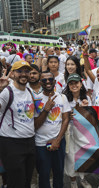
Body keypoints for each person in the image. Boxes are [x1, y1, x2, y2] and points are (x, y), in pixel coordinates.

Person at [0, 60, 49, 188]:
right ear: (13, 74)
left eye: (26, 71)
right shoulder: (7, 92)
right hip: (11, 143)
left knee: (26, 180)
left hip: (29, 142)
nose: (23, 74)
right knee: (16, 181)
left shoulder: (29, 92)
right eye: (19, 71)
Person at [34, 71, 71, 188]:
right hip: (41, 144)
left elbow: (65, 119)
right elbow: (35, 125)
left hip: (58, 143)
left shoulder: (62, 97)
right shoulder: (37, 100)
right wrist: (46, 109)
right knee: (44, 174)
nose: (48, 82)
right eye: (44, 80)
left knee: (58, 173)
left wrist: (57, 140)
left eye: (50, 79)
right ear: (40, 83)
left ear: (55, 81)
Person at [62, 73, 92, 188]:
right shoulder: (64, 98)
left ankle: (83, 179)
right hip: (69, 131)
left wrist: (86, 108)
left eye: (76, 83)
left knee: (83, 156)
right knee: (70, 156)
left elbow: (92, 116)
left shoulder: (87, 98)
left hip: (83, 132)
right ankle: (73, 180)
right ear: (68, 85)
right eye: (71, 83)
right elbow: (61, 115)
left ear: (81, 84)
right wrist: (67, 116)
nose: (74, 85)